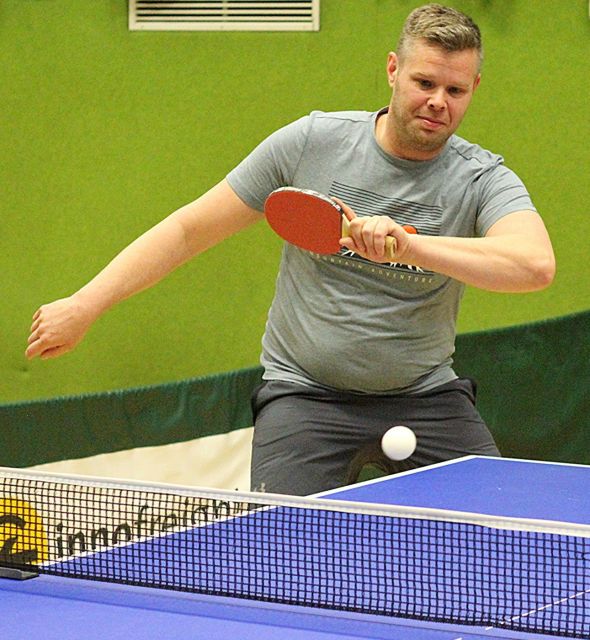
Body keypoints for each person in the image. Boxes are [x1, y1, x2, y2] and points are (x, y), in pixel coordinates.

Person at [26, 4, 555, 496]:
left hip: (425, 396)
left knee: (503, 533)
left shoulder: (481, 177)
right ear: (393, 70)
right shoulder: (311, 143)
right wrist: (86, 303)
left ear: (473, 88)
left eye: (455, 89)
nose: (438, 101)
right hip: (306, 396)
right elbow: (188, 229)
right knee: (283, 550)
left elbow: (533, 266)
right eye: (424, 82)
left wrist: (410, 247)